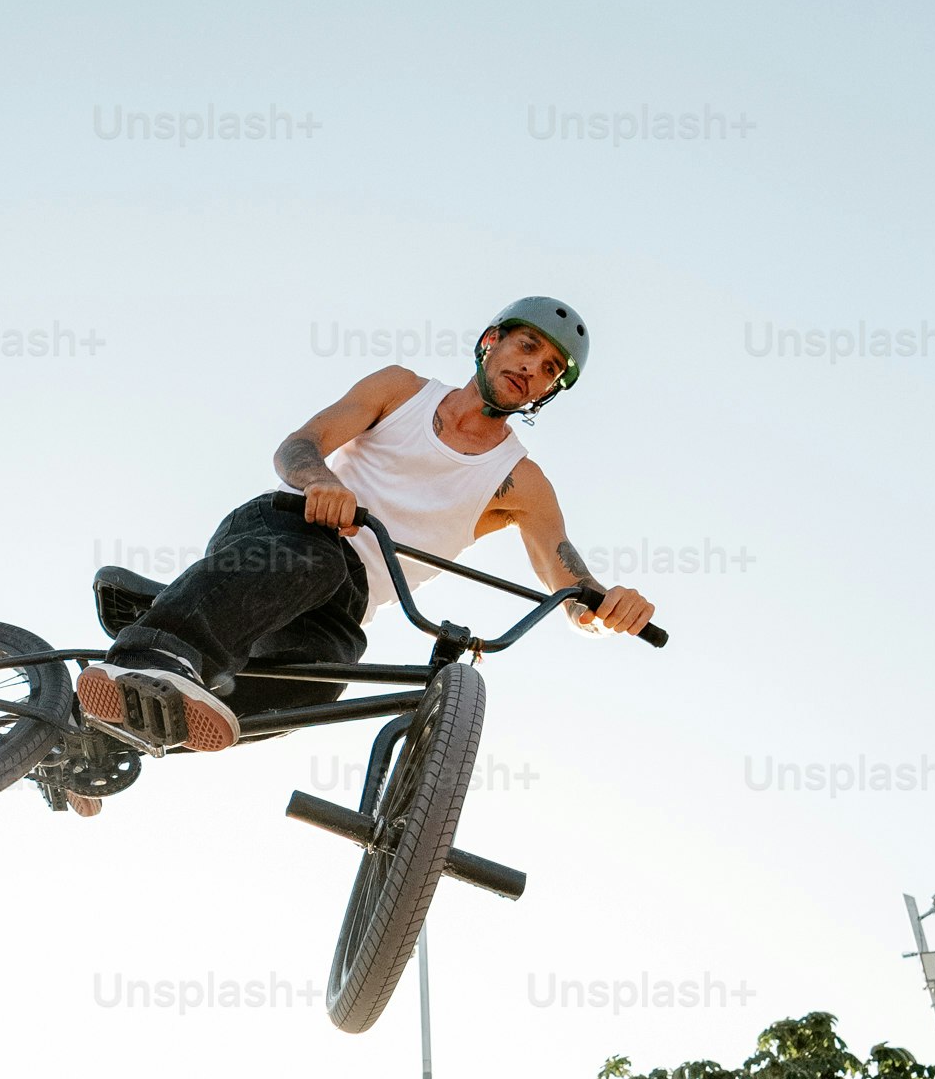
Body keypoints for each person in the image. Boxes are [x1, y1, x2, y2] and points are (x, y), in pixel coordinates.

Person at [78, 296, 656, 757]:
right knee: (322, 560)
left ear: (550, 390)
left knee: (316, 685)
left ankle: (101, 741)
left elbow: (567, 580)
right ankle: (153, 651)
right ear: (491, 343)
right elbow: (298, 446)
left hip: (344, 606)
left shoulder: (522, 482)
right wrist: (319, 481)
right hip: (285, 532)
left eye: (550, 368)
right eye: (527, 347)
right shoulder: (400, 391)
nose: (532, 368)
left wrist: (605, 612)